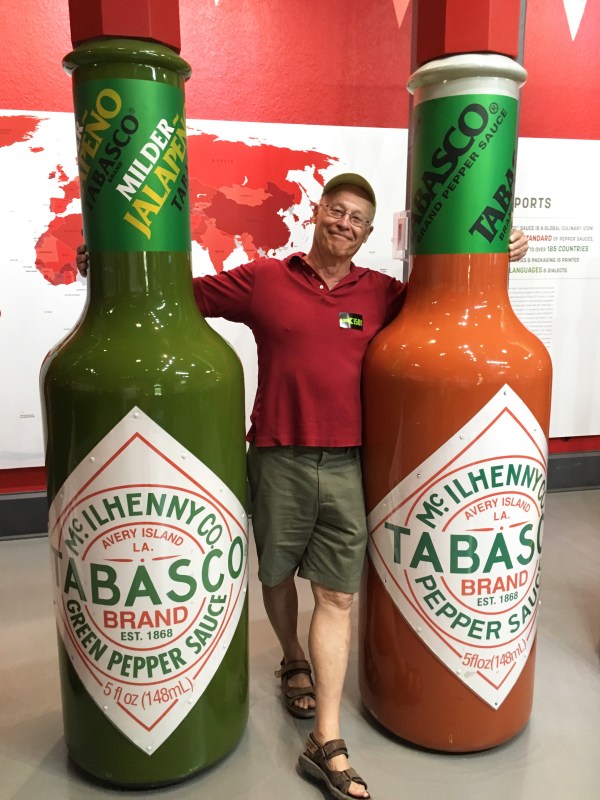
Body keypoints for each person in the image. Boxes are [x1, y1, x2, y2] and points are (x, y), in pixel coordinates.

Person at [77, 174, 528, 800]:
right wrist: (109, 264)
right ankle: (291, 656)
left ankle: (326, 737)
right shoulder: (265, 280)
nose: (345, 224)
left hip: (349, 466)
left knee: (338, 596)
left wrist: (496, 256)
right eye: (337, 212)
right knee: (275, 577)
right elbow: (175, 295)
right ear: (317, 214)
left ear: (369, 234)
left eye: (358, 220)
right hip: (277, 459)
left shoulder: (384, 294)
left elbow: (449, 296)